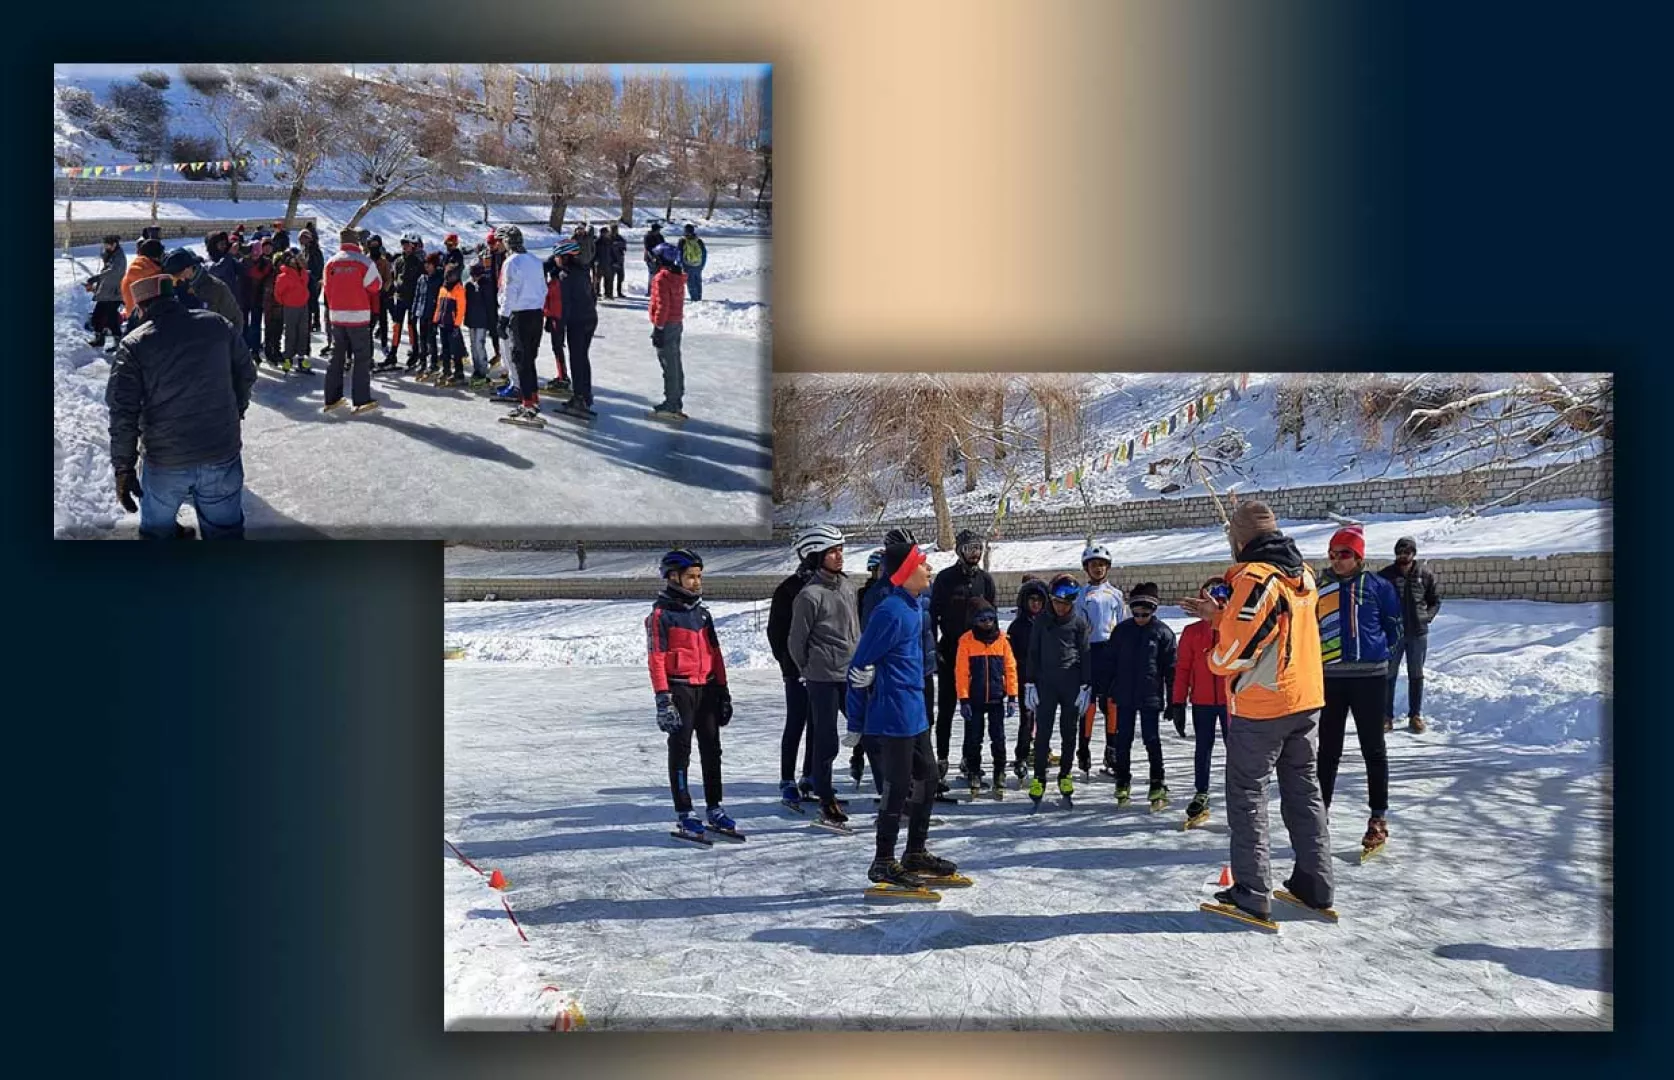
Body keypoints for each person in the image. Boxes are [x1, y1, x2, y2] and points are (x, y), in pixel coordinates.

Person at [1180, 500, 1331, 921]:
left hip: (1264, 704)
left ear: (1240, 538)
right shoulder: (1303, 573)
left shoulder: (1255, 578)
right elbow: (1273, 629)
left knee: (1247, 797)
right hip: (1306, 699)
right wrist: (1221, 614)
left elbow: (1232, 654)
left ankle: (1251, 891)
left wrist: (1215, 640)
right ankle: (1314, 885)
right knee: (1305, 793)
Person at [105, 274, 256, 540]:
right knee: (225, 534)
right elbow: (246, 372)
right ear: (172, 298)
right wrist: (235, 412)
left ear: (140, 307)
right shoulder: (217, 324)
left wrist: (124, 468)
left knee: (157, 534)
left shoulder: (134, 345)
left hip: (165, 460)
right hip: (221, 450)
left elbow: (123, 413)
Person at [843, 538, 957, 890]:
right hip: (892, 713)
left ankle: (915, 852)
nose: (929, 569)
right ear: (906, 572)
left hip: (915, 709)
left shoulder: (915, 605)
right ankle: (883, 861)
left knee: (928, 779)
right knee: (897, 788)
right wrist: (856, 722)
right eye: (923, 564)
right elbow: (860, 666)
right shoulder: (890, 611)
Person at [1319, 527, 1403, 857]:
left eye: (1344, 554)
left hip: (1369, 677)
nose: (1337, 560)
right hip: (1330, 678)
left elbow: (1393, 626)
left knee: (1373, 748)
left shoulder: (1378, 586)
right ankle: (1319, 813)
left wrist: (1378, 653)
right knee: (1327, 749)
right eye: (1333, 553)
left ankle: (1377, 817)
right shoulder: (1319, 586)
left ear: (1359, 557)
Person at [646, 549, 736, 842]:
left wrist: (723, 690)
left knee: (712, 750)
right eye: (691, 577)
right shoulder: (661, 615)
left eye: (699, 576)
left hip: (707, 688)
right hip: (680, 688)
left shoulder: (702, 613)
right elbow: (656, 659)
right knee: (681, 750)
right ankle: (685, 812)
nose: (697, 582)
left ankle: (715, 807)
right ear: (673, 577)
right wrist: (663, 698)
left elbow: (715, 653)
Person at [788, 524, 860, 829]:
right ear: (816, 556)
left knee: (868, 732)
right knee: (827, 738)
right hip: (823, 676)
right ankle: (825, 797)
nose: (839, 556)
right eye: (832, 551)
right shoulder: (809, 595)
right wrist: (809, 669)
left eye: (841, 549)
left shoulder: (848, 586)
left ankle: (889, 792)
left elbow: (856, 629)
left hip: (853, 674)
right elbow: (796, 641)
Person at [930, 529, 998, 786]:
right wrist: (934, 648)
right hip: (950, 651)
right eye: (969, 549)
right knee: (946, 708)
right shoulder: (946, 579)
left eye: (977, 549)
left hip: (977, 654)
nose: (974, 554)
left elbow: (991, 618)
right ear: (959, 551)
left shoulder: (986, 581)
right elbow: (933, 616)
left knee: (975, 709)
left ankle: (971, 759)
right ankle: (942, 758)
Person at [1108, 582, 1177, 809]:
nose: (1140, 617)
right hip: (1125, 695)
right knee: (1123, 740)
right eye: (1136, 613)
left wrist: (1173, 700)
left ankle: (1157, 782)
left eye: (1145, 613)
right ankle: (1122, 781)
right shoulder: (1121, 631)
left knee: (1151, 740)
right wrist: (1105, 691)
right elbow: (1110, 664)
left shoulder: (1162, 633)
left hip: (1150, 696)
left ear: (1154, 610)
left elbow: (1171, 670)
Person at [1024, 574, 1092, 801]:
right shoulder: (1042, 621)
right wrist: (1030, 683)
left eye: (1066, 604)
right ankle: (1039, 778)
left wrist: (1086, 686)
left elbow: (1085, 654)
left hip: (1071, 683)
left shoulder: (1079, 624)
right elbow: (1033, 653)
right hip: (1046, 683)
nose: (1061, 608)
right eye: (1057, 602)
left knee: (1068, 731)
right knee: (1043, 732)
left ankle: (1065, 773)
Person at [1171, 576, 1231, 827]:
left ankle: (1240, 794)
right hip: (1202, 700)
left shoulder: (1234, 628)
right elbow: (1183, 668)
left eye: (1221, 597)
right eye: (1210, 596)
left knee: (1238, 750)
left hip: (1232, 702)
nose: (1216, 602)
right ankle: (1201, 792)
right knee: (1202, 748)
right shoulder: (1192, 632)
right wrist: (1177, 702)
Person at [767, 540, 819, 807]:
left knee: (818, 724)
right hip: (797, 669)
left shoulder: (834, 584)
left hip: (825, 669)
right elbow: (775, 631)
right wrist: (788, 662)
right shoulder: (788, 589)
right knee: (797, 721)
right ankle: (787, 778)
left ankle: (810, 775)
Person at [955, 597, 1019, 798]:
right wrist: (963, 699)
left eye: (990, 619)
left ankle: (999, 771)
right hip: (975, 699)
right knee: (974, 738)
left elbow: (1010, 669)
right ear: (974, 621)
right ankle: (974, 771)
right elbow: (961, 672)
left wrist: (1012, 695)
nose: (987, 623)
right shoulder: (966, 641)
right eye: (982, 620)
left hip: (996, 698)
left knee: (998, 737)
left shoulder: (1002, 640)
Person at [1379, 536, 1441, 733]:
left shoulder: (1424, 574)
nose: (1402, 556)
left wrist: (1426, 617)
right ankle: (1386, 716)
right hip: (1393, 634)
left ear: (1414, 553)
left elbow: (1435, 600)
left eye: (1407, 552)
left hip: (1418, 633)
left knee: (1416, 675)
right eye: (1399, 552)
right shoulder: (1386, 575)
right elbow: (1376, 602)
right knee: (1389, 674)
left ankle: (1415, 715)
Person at [1075, 542, 1126, 778]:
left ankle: (1112, 749)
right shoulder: (1081, 595)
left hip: (1111, 651)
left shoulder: (1116, 595)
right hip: (1089, 650)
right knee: (1089, 704)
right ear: (1087, 568)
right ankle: (1083, 749)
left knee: (1112, 703)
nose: (1098, 569)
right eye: (1094, 565)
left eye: (1102, 565)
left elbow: (1123, 624)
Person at [321, 228, 383, 416]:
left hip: (337, 317)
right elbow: (376, 285)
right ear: (357, 242)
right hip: (358, 316)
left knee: (336, 357)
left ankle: (332, 398)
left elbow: (326, 287)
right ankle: (361, 399)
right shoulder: (363, 262)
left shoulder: (330, 262)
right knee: (361, 358)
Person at [496, 225, 547, 424]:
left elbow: (510, 292)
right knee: (530, 359)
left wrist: (503, 317)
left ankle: (527, 404)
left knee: (520, 360)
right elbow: (543, 289)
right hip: (536, 314)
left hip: (520, 315)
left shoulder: (511, 262)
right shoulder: (535, 260)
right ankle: (532, 399)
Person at [1006, 577, 1049, 780]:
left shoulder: (1049, 624)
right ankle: (1021, 756)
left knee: (1044, 719)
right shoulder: (1017, 627)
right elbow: (1010, 657)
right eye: (1031, 599)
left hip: (1046, 679)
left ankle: (1041, 752)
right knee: (1027, 718)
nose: (1035, 603)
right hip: (1025, 679)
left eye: (1039, 600)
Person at [557, 238, 599, 417]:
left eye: (558, 256)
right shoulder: (583, 270)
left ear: (566, 257)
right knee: (583, 357)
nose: (556, 259)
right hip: (590, 317)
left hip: (578, 321)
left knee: (577, 359)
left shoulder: (566, 276)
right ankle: (585, 395)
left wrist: (559, 328)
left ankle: (580, 397)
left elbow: (565, 305)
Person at [649, 242, 688, 418]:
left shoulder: (661, 278)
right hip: (676, 323)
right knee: (675, 362)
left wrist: (658, 327)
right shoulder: (677, 275)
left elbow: (662, 305)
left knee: (668, 364)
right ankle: (676, 400)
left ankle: (671, 403)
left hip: (666, 324)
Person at [166, 248, 241, 332]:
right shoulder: (174, 288)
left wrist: (228, 343)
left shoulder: (216, 287)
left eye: (178, 274)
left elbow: (235, 320)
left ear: (189, 268)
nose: (176, 279)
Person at [385, 233, 423, 367]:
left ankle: (415, 352)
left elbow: (421, 281)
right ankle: (392, 354)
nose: (404, 247)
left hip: (413, 298)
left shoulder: (418, 262)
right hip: (400, 298)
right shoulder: (399, 260)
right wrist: (391, 290)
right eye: (403, 244)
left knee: (411, 326)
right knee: (396, 325)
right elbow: (394, 277)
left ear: (413, 246)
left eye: (407, 245)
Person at [274, 250, 312, 374]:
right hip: (290, 307)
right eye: (294, 259)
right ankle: (288, 359)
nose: (296, 261)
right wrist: (286, 302)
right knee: (291, 333)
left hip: (303, 306)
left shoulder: (303, 273)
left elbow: (306, 283)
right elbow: (278, 294)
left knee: (303, 332)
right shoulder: (283, 276)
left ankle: (302, 359)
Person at [87, 234, 127, 350]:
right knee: (99, 316)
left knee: (110, 317)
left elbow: (112, 272)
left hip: (114, 293)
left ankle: (117, 341)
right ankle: (100, 339)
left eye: (107, 245)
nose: (106, 247)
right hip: (106, 292)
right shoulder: (112, 254)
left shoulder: (119, 257)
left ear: (114, 244)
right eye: (104, 245)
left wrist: (97, 277)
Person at [120, 236, 166, 334]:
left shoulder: (137, 267)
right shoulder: (152, 273)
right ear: (156, 256)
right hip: (146, 320)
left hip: (133, 316)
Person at [434, 265, 467, 387]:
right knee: (445, 349)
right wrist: (435, 321)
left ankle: (459, 372)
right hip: (443, 323)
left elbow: (461, 308)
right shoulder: (443, 288)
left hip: (453, 325)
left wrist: (457, 325)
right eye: (448, 274)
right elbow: (438, 306)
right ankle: (446, 370)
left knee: (456, 350)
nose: (450, 277)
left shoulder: (459, 289)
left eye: (453, 275)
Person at [412, 252, 444, 379]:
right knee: (422, 339)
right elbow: (417, 296)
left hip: (433, 313)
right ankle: (423, 361)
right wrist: (414, 311)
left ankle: (433, 363)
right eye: (426, 264)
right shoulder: (422, 279)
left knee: (431, 339)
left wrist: (438, 313)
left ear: (435, 265)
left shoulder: (438, 279)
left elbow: (441, 298)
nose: (427, 266)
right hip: (422, 312)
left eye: (429, 264)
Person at [463, 263, 495, 388]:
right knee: (472, 345)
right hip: (472, 320)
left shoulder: (486, 284)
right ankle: (476, 369)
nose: (474, 277)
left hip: (482, 320)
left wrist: (491, 323)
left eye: (476, 275)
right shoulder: (469, 285)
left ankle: (483, 370)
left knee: (479, 344)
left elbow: (490, 305)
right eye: (472, 275)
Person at [541, 253, 569, 392]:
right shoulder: (561, 282)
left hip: (557, 318)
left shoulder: (554, 285)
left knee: (557, 347)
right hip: (558, 317)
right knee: (558, 347)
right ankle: (562, 375)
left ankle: (563, 377)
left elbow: (550, 303)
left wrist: (548, 316)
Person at [299, 228, 325, 340]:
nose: (301, 241)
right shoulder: (305, 250)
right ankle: (312, 322)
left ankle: (316, 322)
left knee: (313, 301)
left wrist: (315, 277)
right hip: (308, 279)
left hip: (314, 279)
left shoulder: (314, 250)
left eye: (303, 238)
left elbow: (319, 266)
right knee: (310, 301)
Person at [679, 223, 708, 301]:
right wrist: (702, 265)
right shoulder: (698, 240)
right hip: (698, 264)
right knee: (698, 282)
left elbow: (679, 254)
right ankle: (699, 298)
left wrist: (681, 265)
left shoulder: (682, 241)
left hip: (687, 265)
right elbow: (704, 253)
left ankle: (694, 299)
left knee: (691, 283)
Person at [642, 220, 666, 293]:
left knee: (659, 274)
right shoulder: (648, 236)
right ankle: (651, 290)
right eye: (658, 229)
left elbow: (663, 245)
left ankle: (658, 289)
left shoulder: (660, 236)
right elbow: (648, 248)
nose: (659, 231)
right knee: (652, 274)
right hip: (650, 258)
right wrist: (652, 257)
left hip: (660, 258)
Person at [608, 224, 628, 300]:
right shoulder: (609, 237)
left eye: (616, 229)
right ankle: (610, 293)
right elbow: (609, 247)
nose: (615, 231)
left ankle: (619, 292)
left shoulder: (619, 237)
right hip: (612, 261)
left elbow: (624, 244)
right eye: (613, 229)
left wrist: (618, 245)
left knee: (621, 277)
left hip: (620, 260)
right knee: (611, 278)